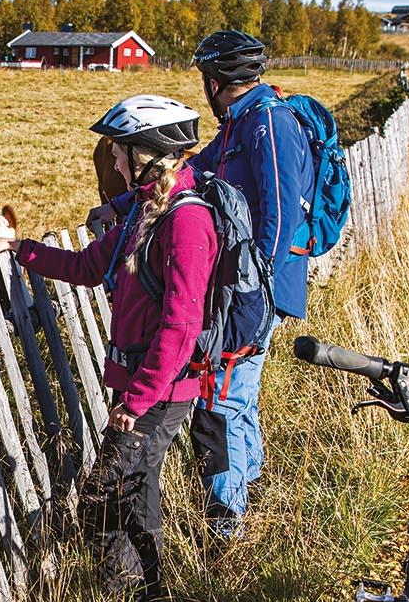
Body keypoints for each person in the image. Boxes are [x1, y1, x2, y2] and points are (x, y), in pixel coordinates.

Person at [0, 95, 217, 602]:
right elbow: (86, 267)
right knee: (134, 497)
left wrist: (136, 402)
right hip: (144, 390)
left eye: (119, 152)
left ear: (149, 154)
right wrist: (19, 250)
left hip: (160, 394)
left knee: (104, 502)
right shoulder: (145, 214)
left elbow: (181, 324)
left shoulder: (185, 223)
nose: (111, 162)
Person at [89, 30, 313, 537]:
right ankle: (243, 502)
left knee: (223, 400)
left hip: (249, 291)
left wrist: (251, 297)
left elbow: (276, 219)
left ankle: (225, 527)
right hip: (241, 286)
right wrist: (122, 206)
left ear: (214, 82)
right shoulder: (241, 123)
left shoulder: (268, 125)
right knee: (234, 399)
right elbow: (187, 173)